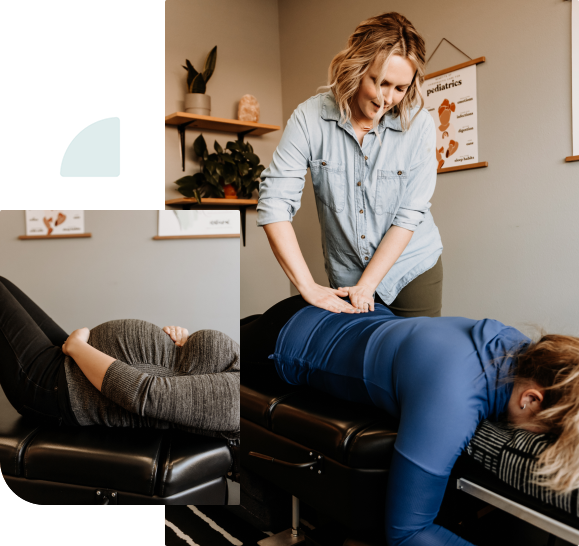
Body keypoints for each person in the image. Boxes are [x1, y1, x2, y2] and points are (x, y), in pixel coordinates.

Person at [241, 295, 579, 545]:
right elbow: (406, 533)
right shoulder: (452, 396)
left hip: (353, 310)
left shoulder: (514, 345)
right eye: (545, 433)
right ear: (531, 399)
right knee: (207, 346)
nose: (539, 439)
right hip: (284, 337)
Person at [258, 12, 443, 318]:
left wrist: (368, 285)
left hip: (410, 269)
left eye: (400, 88)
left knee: (413, 359)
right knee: (357, 364)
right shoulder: (310, 118)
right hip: (346, 278)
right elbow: (274, 203)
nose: (388, 99)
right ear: (357, 67)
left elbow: (410, 214)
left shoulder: (419, 124)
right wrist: (306, 285)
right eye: (380, 82)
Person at [0, 277, 239, 441]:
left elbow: (142, 394)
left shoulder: (236, 402)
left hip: (56, 385)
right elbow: (181, 375)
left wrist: (77, 347)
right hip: (71, 364)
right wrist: (183, 346)